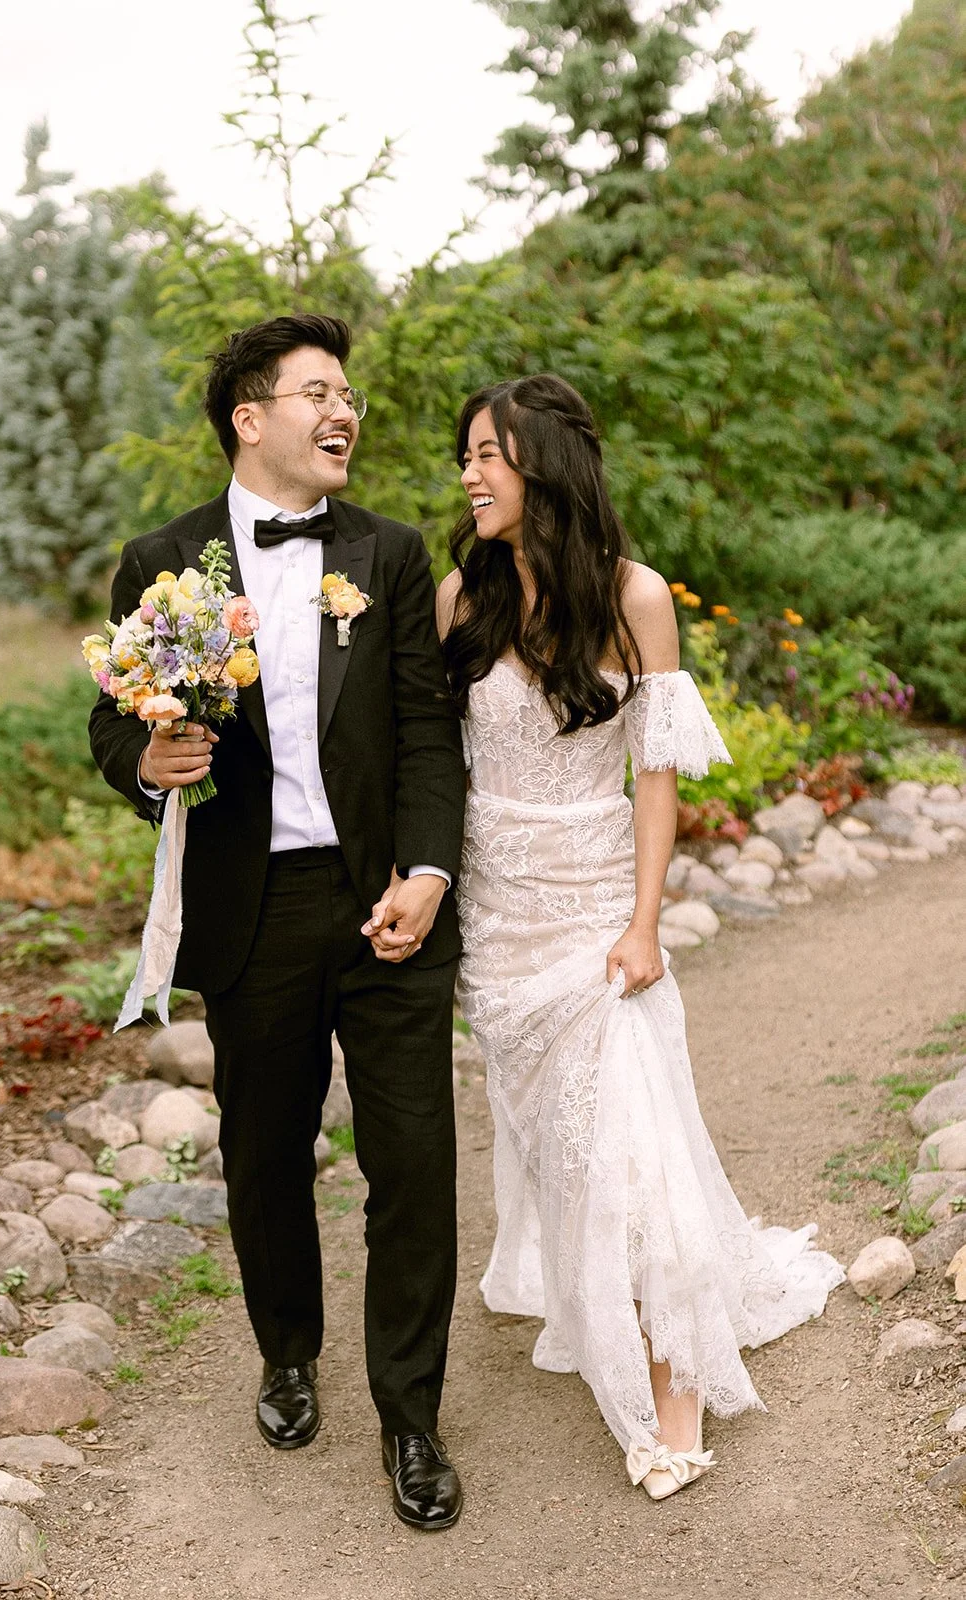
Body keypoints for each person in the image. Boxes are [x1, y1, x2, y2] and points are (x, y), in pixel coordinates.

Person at [90, 314, 466, 1532]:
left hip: (385, 902)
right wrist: (149, 759)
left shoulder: (388, 553)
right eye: (318, 391)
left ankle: (411, 1416)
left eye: (347, 393)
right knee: (265, 1157)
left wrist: (427, 870)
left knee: (413, 1161)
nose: (342, 410)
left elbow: (426, 730)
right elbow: (112, 723)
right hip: (250, 910)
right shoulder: (162, 561)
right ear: (250, 418)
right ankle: (287, 1351)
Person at [438, 374, 843, 1501]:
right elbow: (433, 764)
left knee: (632, 1143)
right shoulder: (458, 597)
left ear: (542, 464)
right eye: (463, 457)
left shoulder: (635, 596)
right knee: (556, 1141)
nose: (468, 476)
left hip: (594, 907)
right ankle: (598, 1294)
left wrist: (642, 922)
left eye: (486, 455)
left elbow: (653, 778)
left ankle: (668, 1399)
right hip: (498, 917)